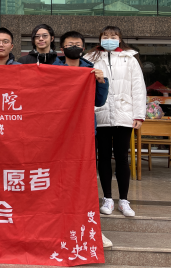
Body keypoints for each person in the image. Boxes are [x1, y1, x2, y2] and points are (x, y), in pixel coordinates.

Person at [53, 31, 113, 248]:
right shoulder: (52, 69)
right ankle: (58, 225)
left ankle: (91, 228)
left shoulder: (90, 70)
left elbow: (99, 101)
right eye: (69, 44)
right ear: (62, 48)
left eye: (77, 44)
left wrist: (101, 81)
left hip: (84, 134)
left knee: (83, 181)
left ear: (83, 47)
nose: (74, 47)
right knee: (58, 180)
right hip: (57, 134)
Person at [86, 26, 146, 218]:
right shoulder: (90, 58)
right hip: (100, 115)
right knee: (103, 157)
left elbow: (138, 88)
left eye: (113, 36)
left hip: (124, 115)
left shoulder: (129, 58)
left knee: (122, 157)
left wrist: (139, 115)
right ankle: (108, 199)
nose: (109, 39)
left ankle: (124, 200)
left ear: (120, 39)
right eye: (105, 36)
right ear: (100, 38)